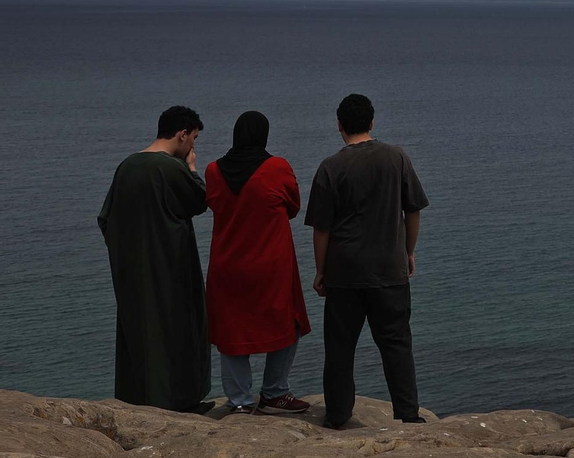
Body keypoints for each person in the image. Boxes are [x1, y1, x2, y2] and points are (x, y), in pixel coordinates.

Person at [304, 93, 429, 429]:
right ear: (372, 122)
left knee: (340, 347)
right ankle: (408, 413)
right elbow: (413, 209)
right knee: (397, 342)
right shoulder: (397, 158)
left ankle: (338, 414)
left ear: (339, 126)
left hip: (344, 272)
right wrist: (408, 251)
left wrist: (320, 270)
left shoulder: (330, 167)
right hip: (389, 268)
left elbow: (322, 228)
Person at [97, 105, 212, 412]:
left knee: (138, 336)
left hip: (131, 271)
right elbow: (200, 200)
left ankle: (137, 401)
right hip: (169, 269)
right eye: (194, 139)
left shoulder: (127, 166)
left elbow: (106, 219)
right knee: (179, 330)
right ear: (182, 134)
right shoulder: (169, 168)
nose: (193, 147)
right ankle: (179, 401)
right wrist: (192, 167)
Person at [204, 111, 312, 415]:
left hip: (227, 266)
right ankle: (275, 392)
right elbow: (292, 207)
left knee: (231, 330)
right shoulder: (277, 167)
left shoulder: (213, 171)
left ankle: (239, 401)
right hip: (270, 264)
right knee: (289, 321)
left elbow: (211, 202)